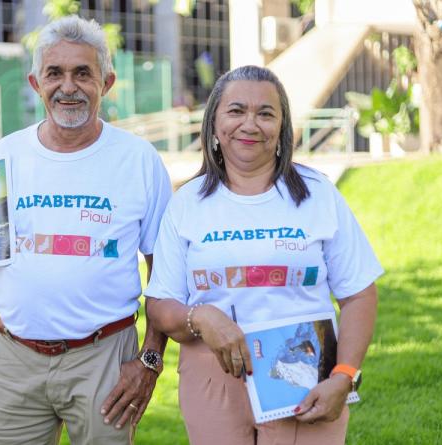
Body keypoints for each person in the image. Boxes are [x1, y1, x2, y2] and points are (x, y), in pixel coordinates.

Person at [0, 15, 171, 445]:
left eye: (82, 74)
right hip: (14, 359)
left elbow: (164, 273)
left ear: (106, 83)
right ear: (37, 83)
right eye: (55, 73)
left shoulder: (139, 160)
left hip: (105, 359)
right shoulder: (5, 156)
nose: (68, 86)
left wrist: (149, 360)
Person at [144, 65, 383, 445]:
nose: (250, 125)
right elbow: (159, 305)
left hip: (304, 375)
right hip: (212, 378)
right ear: (214, 124)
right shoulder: (187, 203)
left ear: (282, 127)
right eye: (236, 111)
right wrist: (200, 315)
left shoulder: (318, 194)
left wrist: (344, 374)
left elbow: (359, 294)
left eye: (265, 113)